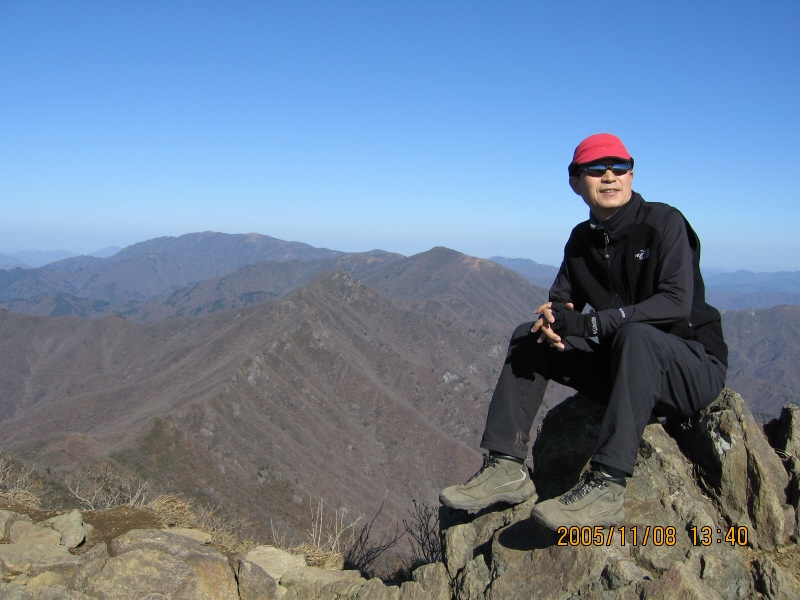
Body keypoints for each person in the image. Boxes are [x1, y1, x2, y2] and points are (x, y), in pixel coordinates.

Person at [439, 133, 727, 530]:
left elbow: (676, 302)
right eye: (596, 169)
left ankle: (607, 486)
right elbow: (562, 303)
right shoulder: (581, 240)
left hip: (690, 368)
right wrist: (553, 320)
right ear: (576, 182)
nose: (610, 176)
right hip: (625, 370)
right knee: (528, 335)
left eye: (620, 167)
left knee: (637, 336)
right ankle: (505, 466)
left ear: (631, 175)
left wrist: (593, 323)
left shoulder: (664, 223)